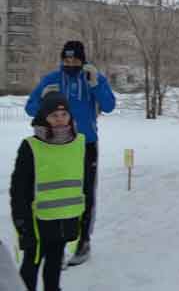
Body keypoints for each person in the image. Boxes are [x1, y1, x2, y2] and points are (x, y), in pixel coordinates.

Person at [25, 40, 116, 266]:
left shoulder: (92, 78)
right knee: (59, 194)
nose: (70, 63)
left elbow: (109, 106)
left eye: (75, 59)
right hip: (56, 146)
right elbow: (30, 108)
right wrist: (44, 99)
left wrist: (96, 85)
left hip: (86, 145)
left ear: (82, 60)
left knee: (85, 194)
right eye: (66, 60)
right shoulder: (52, 80)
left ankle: (84, 241)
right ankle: (58, 241)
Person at [11, 92, 85, 291]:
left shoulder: (79, 143)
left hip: (65, 219)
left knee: (54, 265)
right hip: (37, 222)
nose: (60, 120)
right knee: (31, 265)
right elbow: (18, 189)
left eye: (64, 114)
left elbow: (81, 182)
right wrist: (22, 223)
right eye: (54, 115)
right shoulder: (31, 146)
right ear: (44, 117)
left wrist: (81, 218)